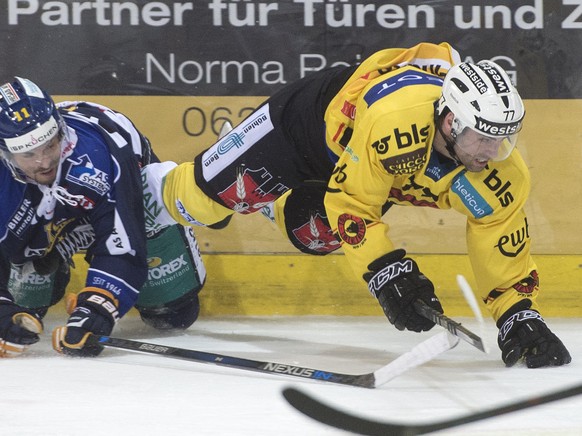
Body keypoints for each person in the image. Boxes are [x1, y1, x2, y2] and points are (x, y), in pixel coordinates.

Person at [152, 42, 570, 368]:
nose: (493, 152)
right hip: (307, 125)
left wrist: (517, 314)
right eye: (483, 137)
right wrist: (388, 273)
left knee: (315, 234)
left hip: (365, 167)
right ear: (449, 121)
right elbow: (353, 204)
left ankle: (268, 203)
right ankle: (148, 181)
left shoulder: (500, 174)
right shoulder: (396, 124)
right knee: (199, 205)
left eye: (504, 138)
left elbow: (500, 241)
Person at [0, 77, 206, 358]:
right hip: (38, 207)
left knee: (174, 315)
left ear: (60, 128)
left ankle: (71, 233)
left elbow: (123, 242)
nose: (45, 161)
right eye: (28, 153)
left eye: (50, 144)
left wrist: (99, 306)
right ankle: (54, 244)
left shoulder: (99, 155)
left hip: (126, 198)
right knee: (25, 311)